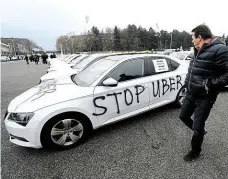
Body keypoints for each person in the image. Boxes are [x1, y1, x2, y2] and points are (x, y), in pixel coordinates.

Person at [179, 24, 228, 162]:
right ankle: (200, 131)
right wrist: (187, 83)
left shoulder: (220, 50)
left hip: (205, 97)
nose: (192, 41)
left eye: (193, 38)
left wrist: (209, 84)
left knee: (197, 126)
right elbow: (195, 69)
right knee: (183, 116)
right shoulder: (197, 49)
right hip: (191, 93)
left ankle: (195, 151)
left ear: (199, 37)